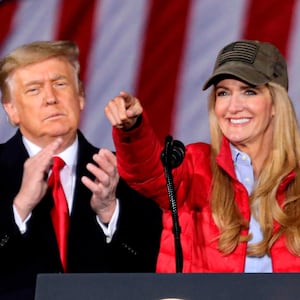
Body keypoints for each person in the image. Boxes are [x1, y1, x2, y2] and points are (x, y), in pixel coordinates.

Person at [104, 40, 300, 273]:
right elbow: (147, 174)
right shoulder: (194, 166)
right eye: (224, 93)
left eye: (249, 91)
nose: (233, 106)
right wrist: (132, 129)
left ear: (276, 103)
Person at [0, 40, 162, 299]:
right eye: (34, 90)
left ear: (81, 97)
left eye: (60, 84)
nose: (51, 98)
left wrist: (110, 212)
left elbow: (152, 267)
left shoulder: (118, 174)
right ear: (11, 109)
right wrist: (19, 208)